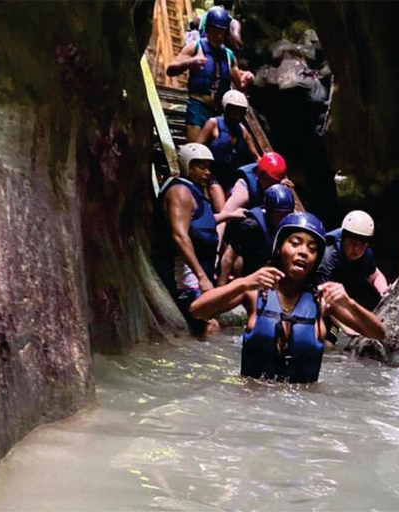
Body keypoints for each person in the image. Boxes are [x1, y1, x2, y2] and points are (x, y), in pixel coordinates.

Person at [190, 212, 385, 383]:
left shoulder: (322, 300)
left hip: (301, 412)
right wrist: (242, 283)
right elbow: (197, 310)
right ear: (278, 248)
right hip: (250, 406)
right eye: (295, 243)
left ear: (317, 259)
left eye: (312, 248)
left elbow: (378, 333)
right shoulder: (253, 291)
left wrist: (349, 303)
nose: (303, 252)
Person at [152, 143, 245, 335]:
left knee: (246, 293)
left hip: (197, 273)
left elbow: (200, 221)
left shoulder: (193, 190)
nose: (207, 172)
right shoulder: (180, 192)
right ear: (188, 166)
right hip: (184, 275)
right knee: (209, 326)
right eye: (201, 166)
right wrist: (202, 277)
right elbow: (180, 235)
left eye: (209, 167)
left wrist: (230, 215)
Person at [166, 6, 253, 142]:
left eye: (222, 32)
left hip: (220, 112)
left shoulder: (228, 56)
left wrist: (248, 78)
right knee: (195, 150)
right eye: (215, 31)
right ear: (208, 29)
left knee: (216, 153)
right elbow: (170, 69)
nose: (218, 36)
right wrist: (189, 62)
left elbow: (240, 85)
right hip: (198, 107)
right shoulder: (195, 47)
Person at [195, 90, 259, 213]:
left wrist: (278, 176)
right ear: (226, 109)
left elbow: (256, 157)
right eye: (234, 111)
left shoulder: (243, 131)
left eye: (240, 112)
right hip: (213, 176)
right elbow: (196, 148)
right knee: (223, 211)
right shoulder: (213, 124)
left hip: (233, 178)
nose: (236, 115)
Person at [218, 184, 295, 286]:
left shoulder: (289, 224)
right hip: (247, 271)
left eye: (287, 213)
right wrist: (222, 286)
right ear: (269, 210)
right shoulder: (250, 226)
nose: (283, 217)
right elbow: (229, 257)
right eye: (279, 213)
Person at [318, 210, 388, 314]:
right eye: (352, 241)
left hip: (344, 300)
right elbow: (325, 300)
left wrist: (384, 292)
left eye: (361, 243)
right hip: (320, 303)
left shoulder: (366, 254)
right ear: (343, 237)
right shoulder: (328, 256)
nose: (356, 248)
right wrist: (346, 328)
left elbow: (374, 275)